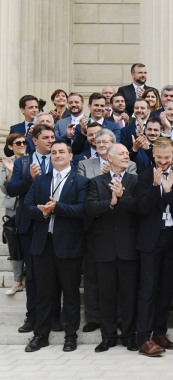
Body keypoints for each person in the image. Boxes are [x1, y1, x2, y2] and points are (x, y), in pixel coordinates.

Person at [22, 140, 89, 353]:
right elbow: (27, 206)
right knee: (43, 293)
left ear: (71, 156)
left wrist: (57, 207)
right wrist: (41, 212)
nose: (57, 155)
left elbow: (82, 210)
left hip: (69, 245)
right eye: (53, 152)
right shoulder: (41, 181)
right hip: (43, 244)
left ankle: (71, 335)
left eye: (62, 151)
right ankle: (40, 335)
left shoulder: (81, 181)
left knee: (70, 293)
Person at [84, 144, 139, 353]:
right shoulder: (96, 182)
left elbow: (140, 208)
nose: (127, 156)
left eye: (127, 153)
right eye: (122, 153)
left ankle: (128, 336)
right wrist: (111, 201)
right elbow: (89, 208)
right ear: (110, 157)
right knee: (106, 295)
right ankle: (107, 337)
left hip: (129, 247)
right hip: (104, 246)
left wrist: (123, 198)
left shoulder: (135, 180)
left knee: (129, 294)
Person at [6, 124, 61, 334]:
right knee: (33, 275)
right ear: (34, 140)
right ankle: (32, 316)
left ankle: (55, 317)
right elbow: (11, 190)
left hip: (55, 222)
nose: (50, 140)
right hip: (29, 224)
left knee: (55, 273)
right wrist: (29, 178)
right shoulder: (22, 162)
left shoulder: (60, 160)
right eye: (46, 137)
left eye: (53, 137)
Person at [135, 137, 173, 356]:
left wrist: (170, 192)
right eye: (160, 158)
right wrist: (156, 187)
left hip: (172, 240)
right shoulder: (144, 177)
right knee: (148, 289)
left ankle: (159, 332)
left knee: (166, 289)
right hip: (150, 241)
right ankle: (143, 338)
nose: (164, 162)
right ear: (153, 156)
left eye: (168, 158)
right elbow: (142, 209)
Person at [1, 133, 28, 296]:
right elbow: (4, 188)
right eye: (18, 143)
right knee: (14, 242)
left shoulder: (32, 159)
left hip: (29, 205)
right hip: (13, 207)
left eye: (25, 142)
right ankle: (17, 280)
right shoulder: (6, 164)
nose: (22, 144)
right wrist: (11, 172)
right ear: (11, 146)